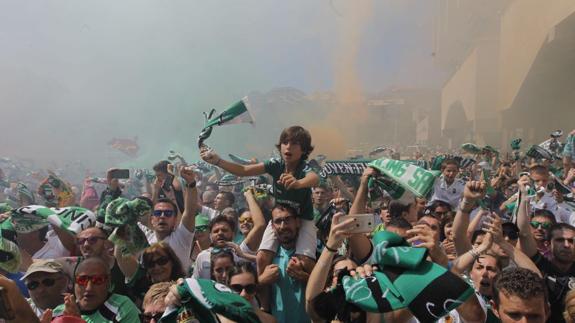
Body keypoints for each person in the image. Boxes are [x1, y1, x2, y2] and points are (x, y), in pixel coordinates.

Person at [200, 125, 319, 276]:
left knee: (305, 262)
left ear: (303, 150)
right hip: (279, 220)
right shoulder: (275, 165)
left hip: (304, 219)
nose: (288, 147)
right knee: (262, 258)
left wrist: (298, 183)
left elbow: (314, 179)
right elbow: (243, 171)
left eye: (294, 144)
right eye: (285, 142)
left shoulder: (304, 168)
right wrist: (218, 161)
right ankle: (261, 293)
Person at [259, 203, 312, 323]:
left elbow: (330, 289)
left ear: (298, 222)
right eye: (278, 221)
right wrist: (262, 280)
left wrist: (305, 277)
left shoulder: (314, 253)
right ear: (272, 226)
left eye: (288, 220)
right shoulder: (266, 257)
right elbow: (246, 290)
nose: (283, 226)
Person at [52, 257, 140, 322]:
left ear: (108, 282)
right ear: (74, 282)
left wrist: (77, 321)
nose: (89, 288)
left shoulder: (122, 307)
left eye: (98, 280)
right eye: (82, 280)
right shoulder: (59, 312)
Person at [146, 166, 198, 271]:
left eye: (168, 213)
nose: (162, 216)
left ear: (175, 220)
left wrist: (191, 183)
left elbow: (190, 211)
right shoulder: (146, 239)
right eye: (158, 213)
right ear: (152, 219)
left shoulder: (182, 237)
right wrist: (156, 190)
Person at [114, 241, 185, 305]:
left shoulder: (184, 285)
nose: (157, 267)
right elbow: (120, 256)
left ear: (172, 262)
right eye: (151, 264)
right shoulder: (142, 287)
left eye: (162, 261)